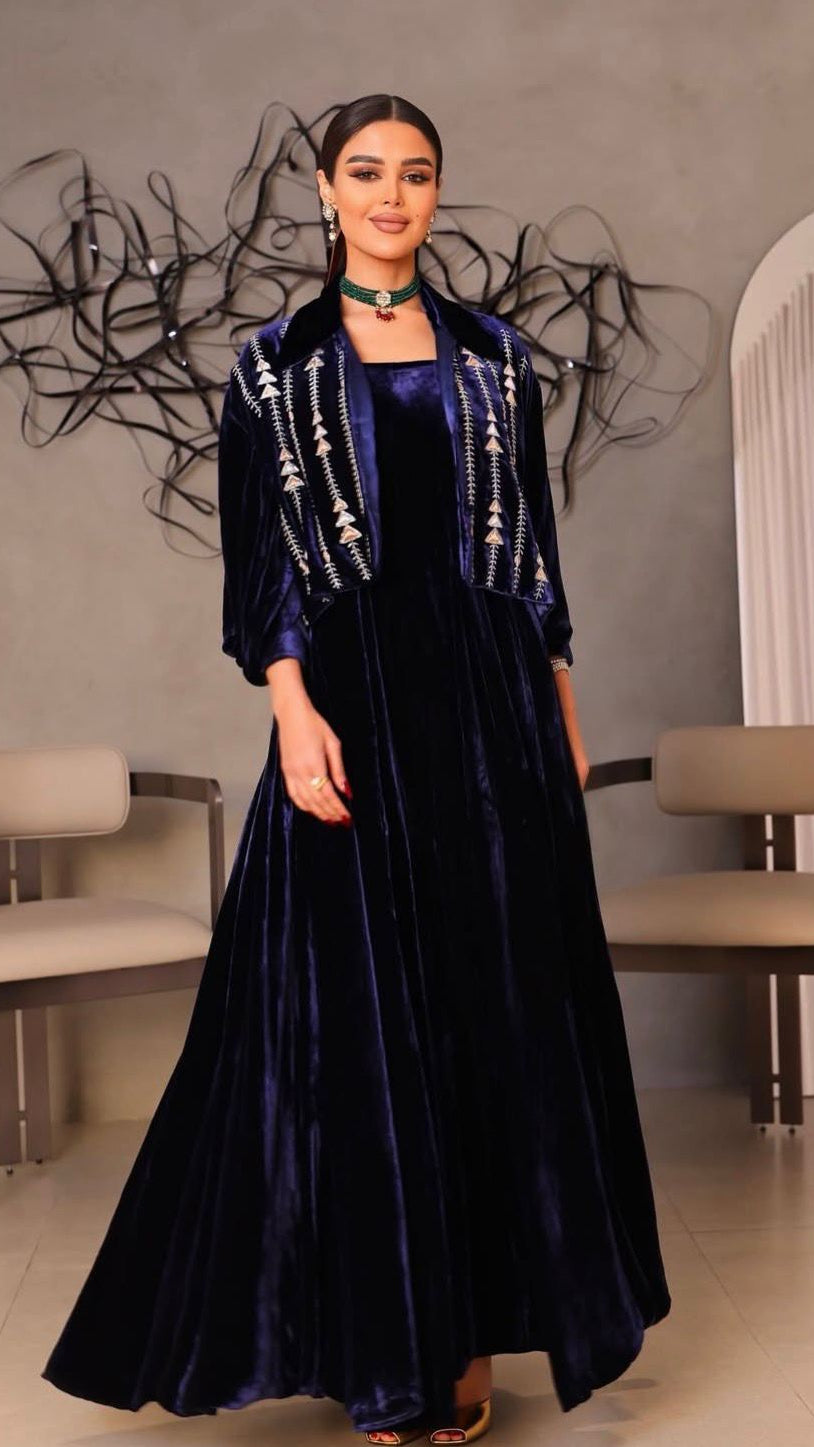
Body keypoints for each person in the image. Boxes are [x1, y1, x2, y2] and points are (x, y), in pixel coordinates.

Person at [41, 94, 671, 1445]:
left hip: (493, 705)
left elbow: (533, 557)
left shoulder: (497, 354)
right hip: (353, 700)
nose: (392, 195)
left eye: (417, 174)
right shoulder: (271, 365)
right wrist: (290, 705)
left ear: (438, 195)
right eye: (366, 172)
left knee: (491, 1007)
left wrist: (557, 699)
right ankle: (388, 1346)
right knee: (361, 1020)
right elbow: (259, 558)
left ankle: (464, 1352)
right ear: (325, 190)